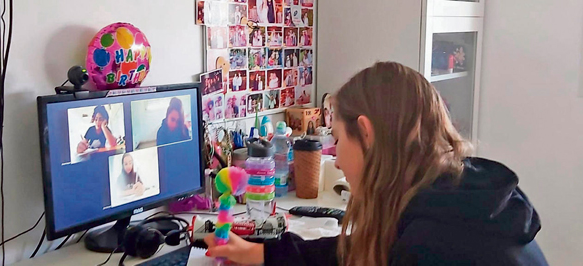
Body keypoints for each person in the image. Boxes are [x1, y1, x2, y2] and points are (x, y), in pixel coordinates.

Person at [203, 62, 548, 266]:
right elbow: (357, 251)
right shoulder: (453, 194)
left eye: (337, 139)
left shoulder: (433, 243)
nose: (334, 156)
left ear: (366, 134)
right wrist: (260, 254)